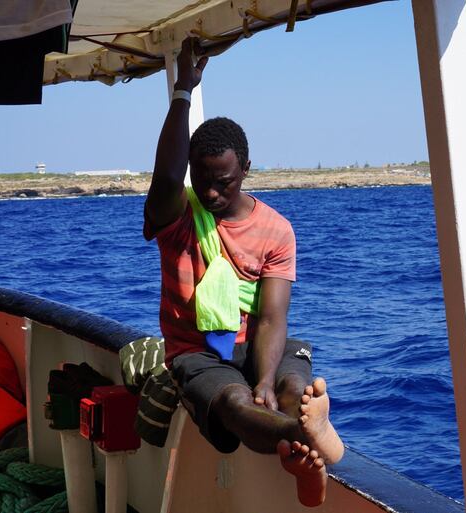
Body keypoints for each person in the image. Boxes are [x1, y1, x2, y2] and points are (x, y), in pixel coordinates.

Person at [143, 36, 343, 507]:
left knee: (294, 388)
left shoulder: (276, 229)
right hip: (198, 352)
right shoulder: (176, 218)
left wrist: (267, 381)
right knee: (234, 405)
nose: (211, 193)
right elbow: (168, 177)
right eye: (203, 180)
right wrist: (182, 93)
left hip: (257, 344)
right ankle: (304, 438)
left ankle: (307, 438)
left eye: (224, 182)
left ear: (247, 169)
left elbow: (272, 318)